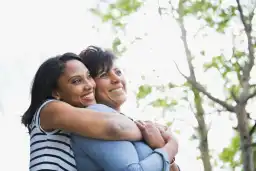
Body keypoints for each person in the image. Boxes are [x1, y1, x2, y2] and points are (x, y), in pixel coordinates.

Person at [22, 52, 149, 171]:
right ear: (56, 92)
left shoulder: (72, 121)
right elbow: (115, 128)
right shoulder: (49, 109)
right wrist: (147, 132)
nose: (89, 85)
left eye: (88, 76)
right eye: (76, 81)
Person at [71, 46, 180, 171]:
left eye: (118, 72)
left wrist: (161, 148)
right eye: (104, 75)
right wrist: (171, 146)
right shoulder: (91, 119)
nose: (116, 79)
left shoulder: (132, 124)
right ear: (90, 84)